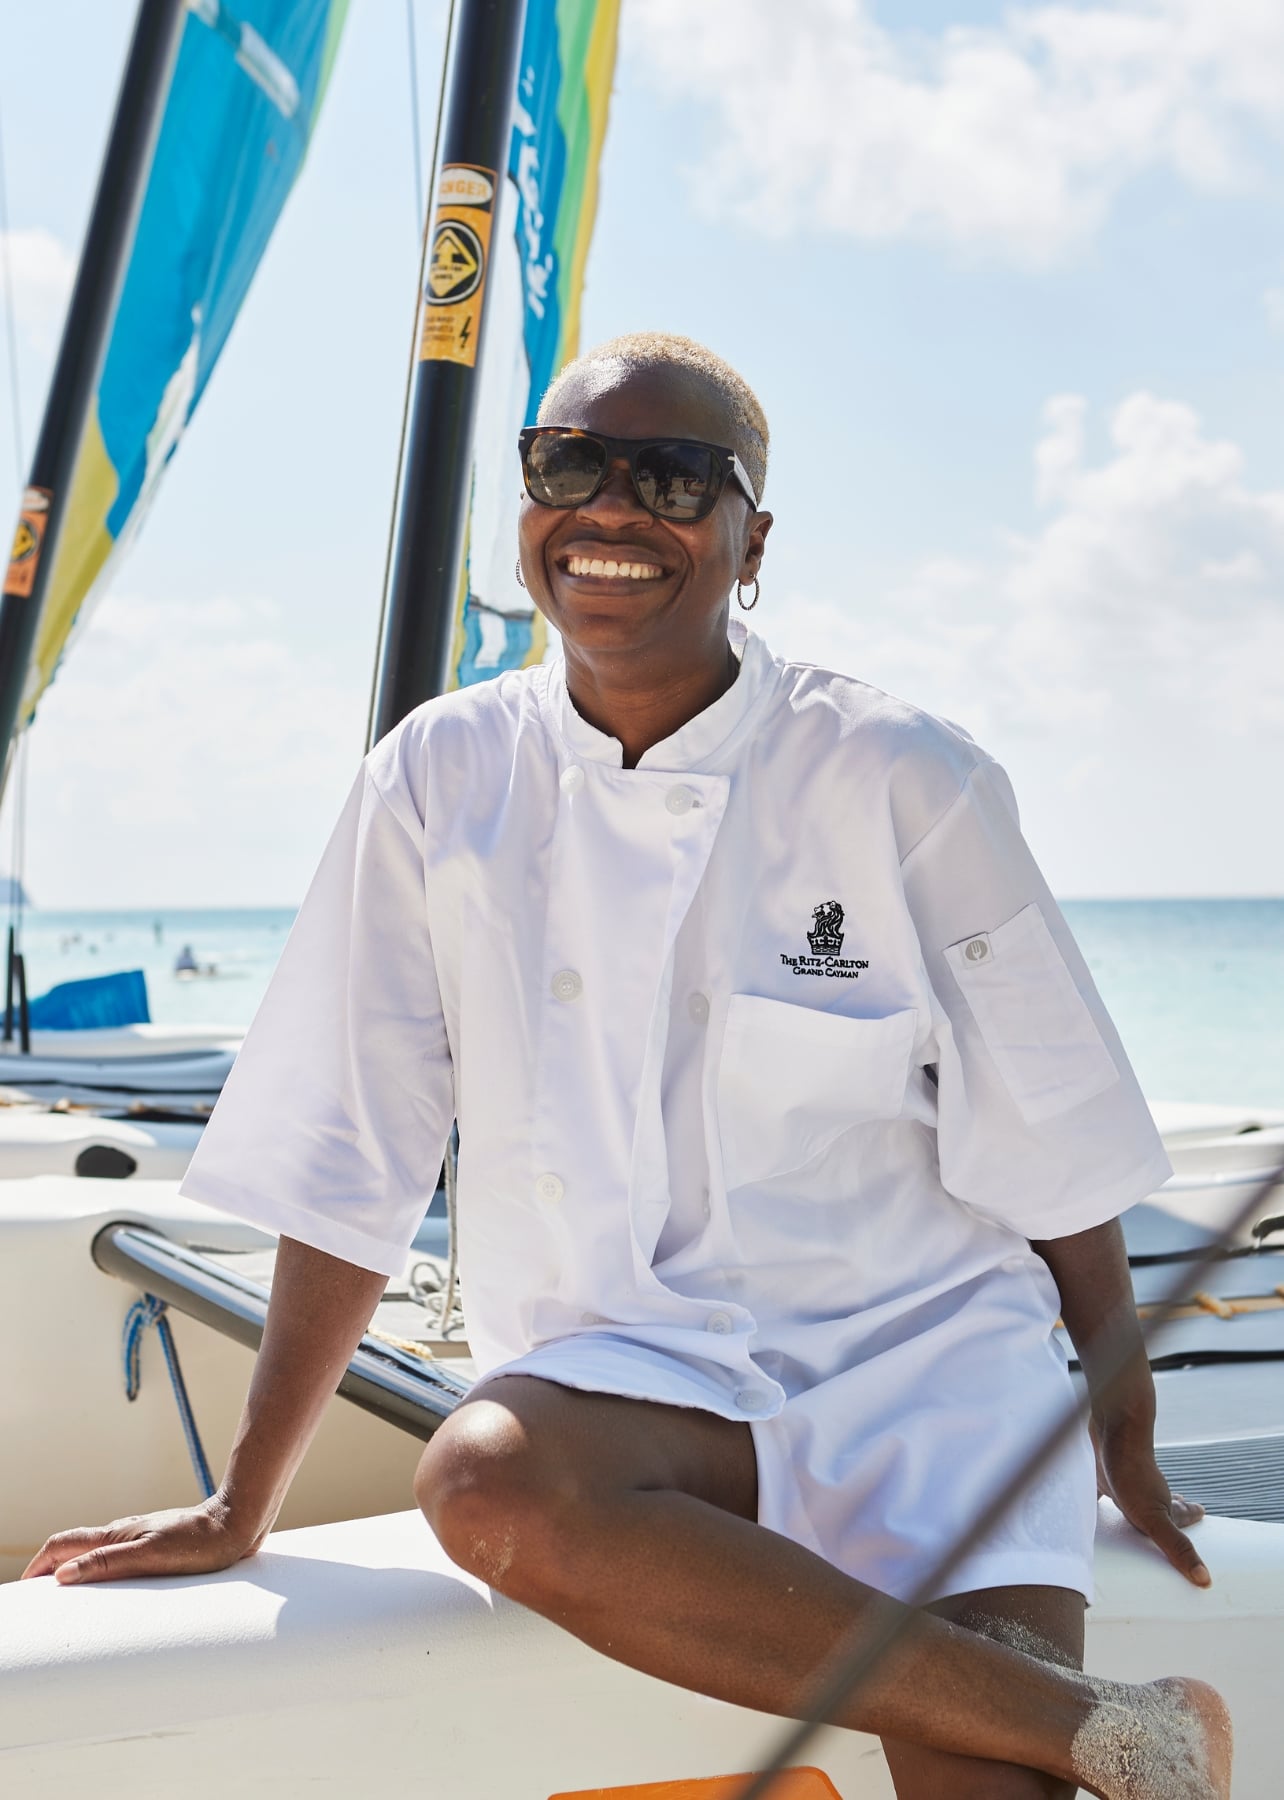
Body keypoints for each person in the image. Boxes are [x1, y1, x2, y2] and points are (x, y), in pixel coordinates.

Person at [24, 334, 1231, 1799]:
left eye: (672, 479)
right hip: (635, 1384)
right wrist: (243, 1499)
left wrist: (1118, 1407)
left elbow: (1050, 1126)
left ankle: (1071, 1734)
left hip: (927, 1372)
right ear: (528, 500)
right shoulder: (437, 777)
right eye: (568, 466)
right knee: (482, 1480)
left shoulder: (904, 773)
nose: (610, 511)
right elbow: (353, 1148)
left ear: (750, 539)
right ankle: (1117, 1728)